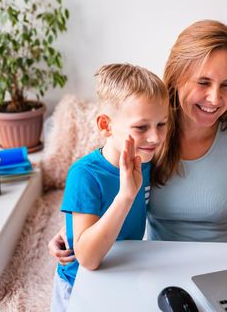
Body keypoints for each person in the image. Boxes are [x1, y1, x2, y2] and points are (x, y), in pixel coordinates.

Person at [49, 20, 227, 259]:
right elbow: (103, 178)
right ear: (176, 78)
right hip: (167, 269)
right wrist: (73, 230)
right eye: (203, 83)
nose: (215, 99)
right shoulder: (150, 132)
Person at [50, 63, 169, 312]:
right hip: (82, 285)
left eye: (161, 124)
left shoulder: (146, 159)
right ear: (106, 125)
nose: (156, 137)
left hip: (126, 273)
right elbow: (88, 259)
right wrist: (125, 196)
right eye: (141, 127)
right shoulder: (84, 175)